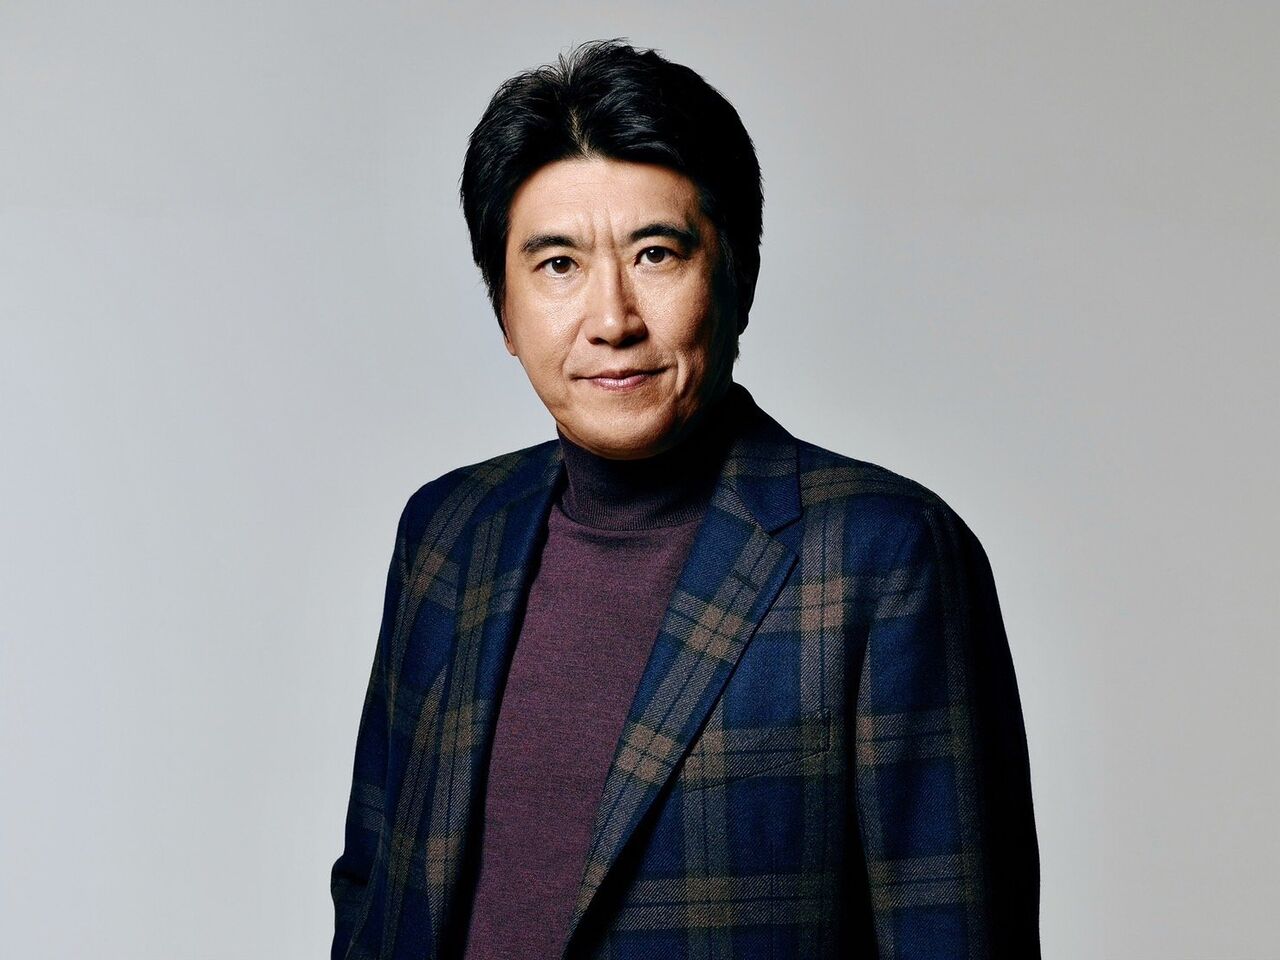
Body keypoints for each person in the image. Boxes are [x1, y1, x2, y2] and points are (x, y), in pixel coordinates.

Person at [330, 38, 1040, 960]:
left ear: (737, 276)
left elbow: (955, 928)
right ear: (503, 307)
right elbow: (374, 889)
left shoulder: (883, 557)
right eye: (558, 265)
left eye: (656, 254)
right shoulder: (447, 532)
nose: (612, 320)